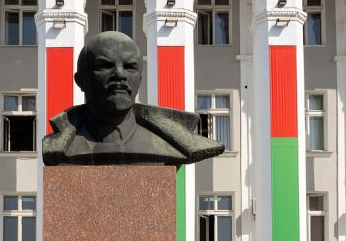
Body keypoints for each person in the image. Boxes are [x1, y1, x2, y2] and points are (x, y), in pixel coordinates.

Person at [42, 31, 224, 166]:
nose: (119, 74)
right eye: (104, 65)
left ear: (139, 80)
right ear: (80, 80)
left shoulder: (171, 143)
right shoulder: (59, 146)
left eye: (130, 67)